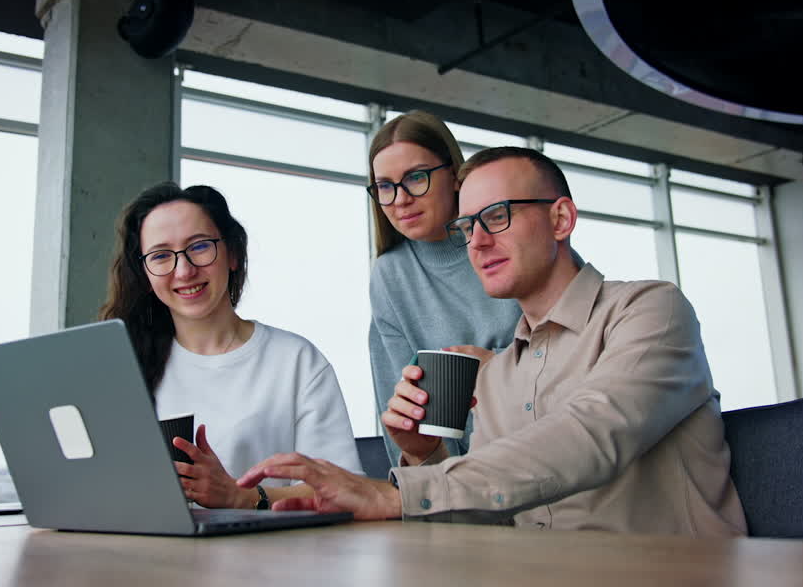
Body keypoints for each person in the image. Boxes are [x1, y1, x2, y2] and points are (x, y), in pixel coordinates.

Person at [239, 148, 746, 535]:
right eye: (466, 224)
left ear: (561, 219)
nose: (477, 241)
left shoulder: (649, 311)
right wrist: (425, 454)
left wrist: (398, 493)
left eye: (498, 215)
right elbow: (482, 519)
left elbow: (592, 434)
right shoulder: (499, 374)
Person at [100, 181, 362, 509]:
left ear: (233, 254)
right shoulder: (125, 367)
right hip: (151, 556)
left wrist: (243, 498)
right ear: (146, 275)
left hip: (277, 556)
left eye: (199, 247)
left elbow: (344, 493)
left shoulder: (295, 361)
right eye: (161, 256)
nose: (183, 271)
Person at [366, 111, 522, 467]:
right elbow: (403, 415)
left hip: (542, 461)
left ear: (454, 175)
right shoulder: (390, 276)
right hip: (461, 487)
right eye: (385, 187)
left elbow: (573, 362)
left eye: (416, 178)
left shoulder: (513, 239)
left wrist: (499, 369)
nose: (400, 199)